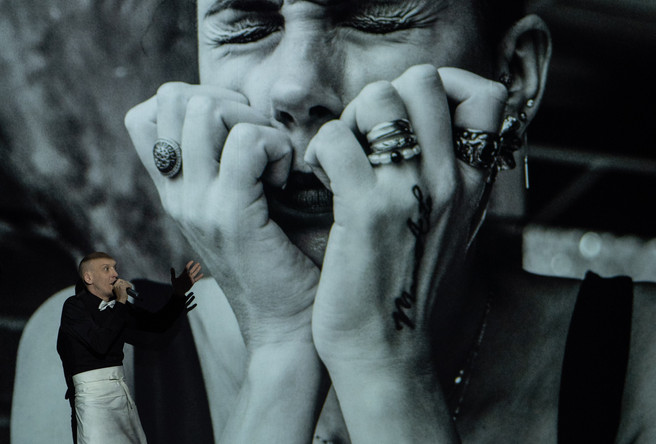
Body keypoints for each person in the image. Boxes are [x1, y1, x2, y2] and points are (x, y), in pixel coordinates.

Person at [11, 0, 656, 443]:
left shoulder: (641, 360)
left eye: (374, 17)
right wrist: (281, 348)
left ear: (512, 75)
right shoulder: (97, 350)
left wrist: (383, 360)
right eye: (247, 25)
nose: (294, 87)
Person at [56, 252, 202, 443]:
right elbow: (100, 344)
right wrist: (121, 302)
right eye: (106, 269)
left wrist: (178, 295)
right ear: (89, 278)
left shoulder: (117, 308)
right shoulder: (74, 307)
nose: (115, 274)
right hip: (92, 397)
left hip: (120, 392)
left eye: (115, 268)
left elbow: (156, 327)